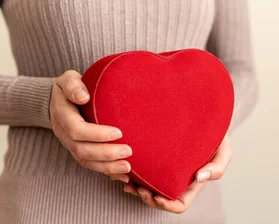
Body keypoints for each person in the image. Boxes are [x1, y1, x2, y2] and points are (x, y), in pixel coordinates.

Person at [0, 0, 258, 223]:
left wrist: (213, 127)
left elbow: (242, 70)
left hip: (195, 210)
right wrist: (43, 102)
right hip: (47, 208)